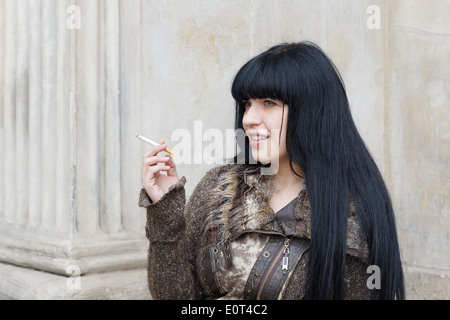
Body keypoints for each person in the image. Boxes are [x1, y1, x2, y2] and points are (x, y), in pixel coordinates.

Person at [139, 41, 405, 300]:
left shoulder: (351, 213)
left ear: (312, 111)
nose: (248, 119)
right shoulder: (218, 187)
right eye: (246, 104)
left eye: (268, 102)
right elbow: (174, 296)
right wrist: (165, 212)